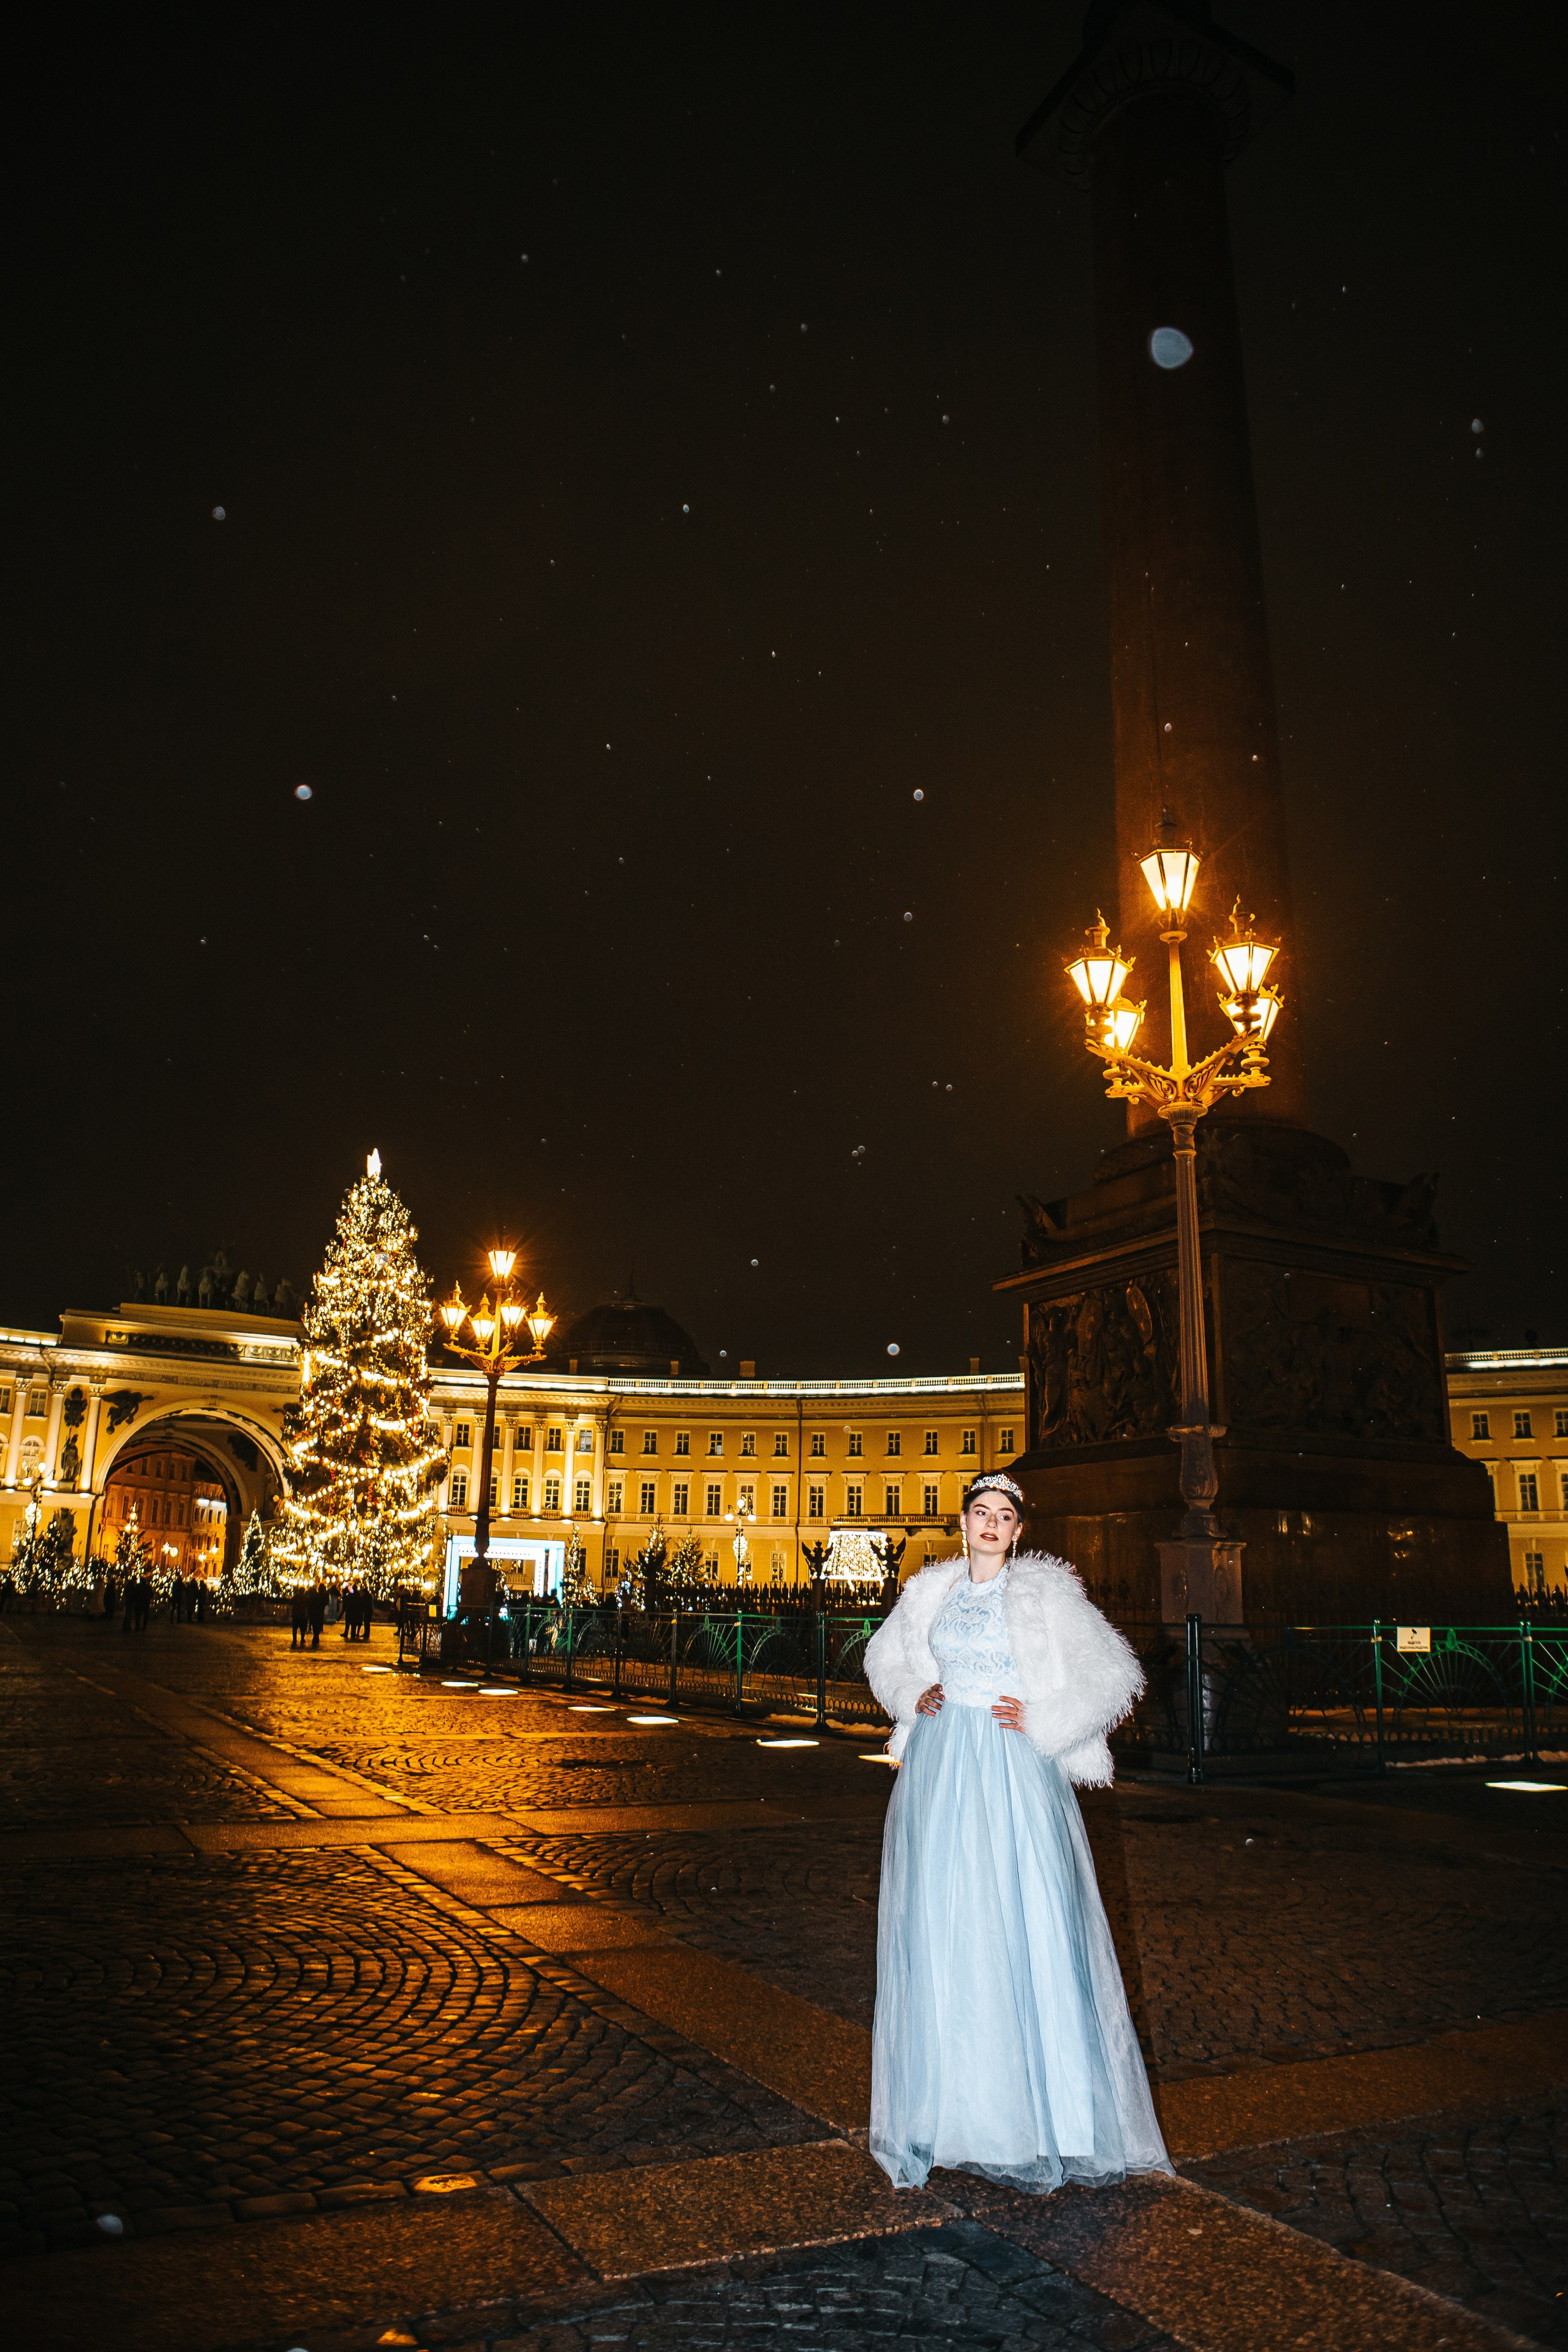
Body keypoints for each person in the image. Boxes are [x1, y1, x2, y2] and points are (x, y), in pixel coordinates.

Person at [864, 1472, 1170, 2197]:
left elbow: (1112, 1673)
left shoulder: (1044, 1592)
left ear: (1019, 1529)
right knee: (946, 1922)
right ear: (961, 1524)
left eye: (1005, 1516)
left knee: (1021, 1917)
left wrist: (1045, 1720)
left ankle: (1041, 2116)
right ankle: (957, 2110)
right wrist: (913, 1692)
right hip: (939, 1762)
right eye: (981, 1513)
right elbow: (884, 1657)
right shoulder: (929, 1591)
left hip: (1009, 1763)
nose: (992, 1524)